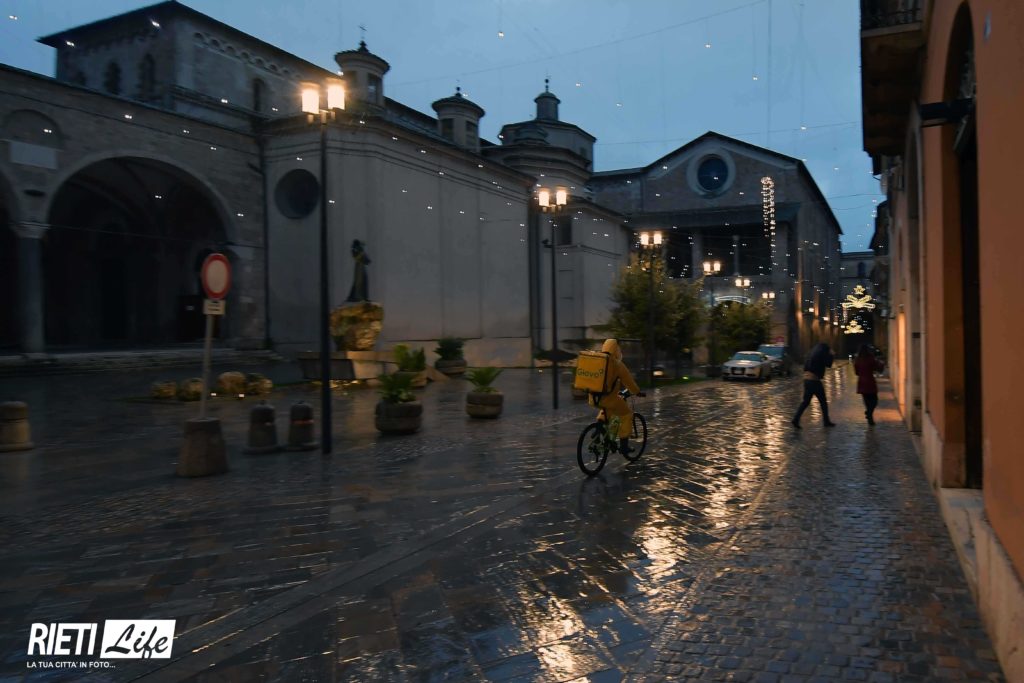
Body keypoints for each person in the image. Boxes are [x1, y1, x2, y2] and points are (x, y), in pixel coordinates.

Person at [593, 339, 643, 454]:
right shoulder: (617, 364)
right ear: (616, 350)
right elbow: (629, 382)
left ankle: (598, 428)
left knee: (607, 408)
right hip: (609, 398)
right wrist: (637, 392)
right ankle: (624, 446)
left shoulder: (598, 360)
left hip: (594, 398)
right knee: (626, 414)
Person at [791, 342, 836, 429]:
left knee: (806, 402)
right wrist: (832, 355)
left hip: (807, 379)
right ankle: (826, 421)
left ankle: (796, 419)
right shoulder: (821, 354)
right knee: (823, 402)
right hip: (814, 380)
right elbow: (829, 364)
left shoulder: (812, 353)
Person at [853, 343, 885, 425]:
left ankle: (870, 417)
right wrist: (881, 363)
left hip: (862, 382)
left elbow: (856, 372)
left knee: (867, 401)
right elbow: (877, 368)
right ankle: (869, 414)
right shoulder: (870, 358)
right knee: (874, 400)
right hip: (870, 381)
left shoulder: (857, 359)